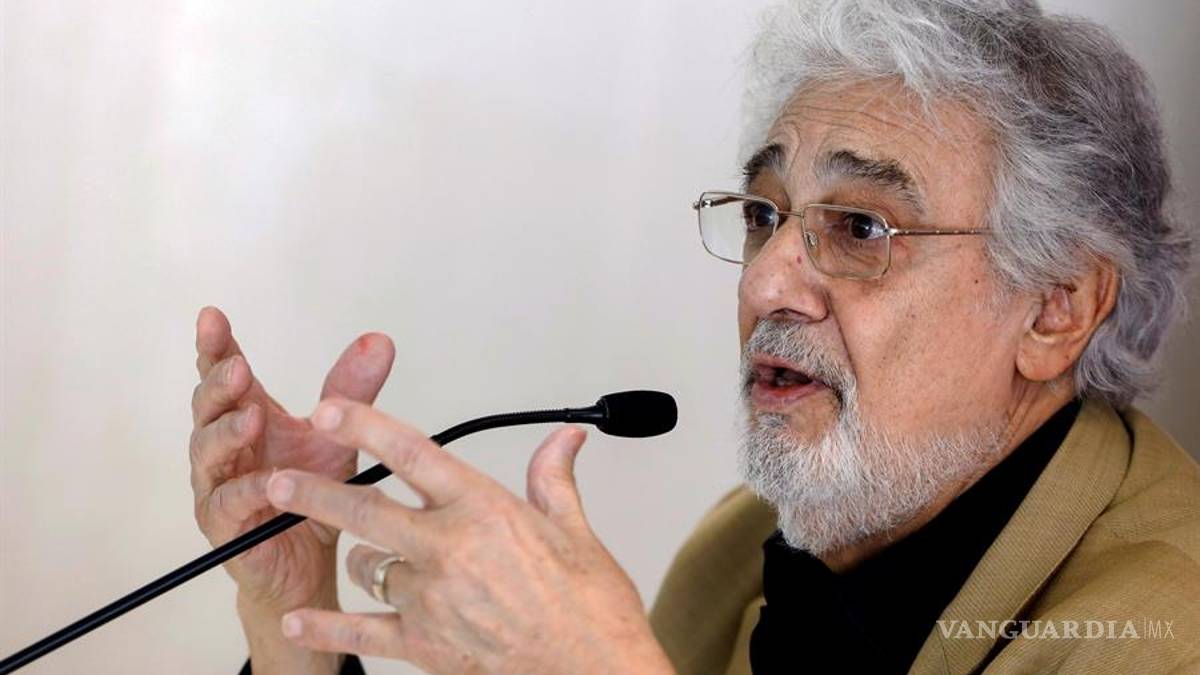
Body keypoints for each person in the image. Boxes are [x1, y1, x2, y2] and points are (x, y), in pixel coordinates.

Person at [188, 1, 1200, 673]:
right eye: (763, 214)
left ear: (1057, 307)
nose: (764, 282)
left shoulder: (1167, 632)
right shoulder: (746, 546)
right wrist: (291, 621)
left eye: (861, 228)